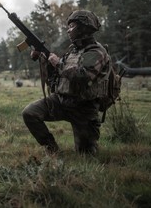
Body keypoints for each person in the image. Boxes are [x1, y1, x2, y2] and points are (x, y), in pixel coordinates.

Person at [22, 10, 111, 155]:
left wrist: (58, 64)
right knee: (29, 113)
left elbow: (83, 77)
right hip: (61, 101)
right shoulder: (72, 50)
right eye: (68, 27)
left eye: (72, 26)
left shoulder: (96, 51)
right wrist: (44, 58)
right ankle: (52, 149)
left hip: (83, 108)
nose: (68, 31)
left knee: (86, 156)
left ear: (83, 28)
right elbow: (59, 74)